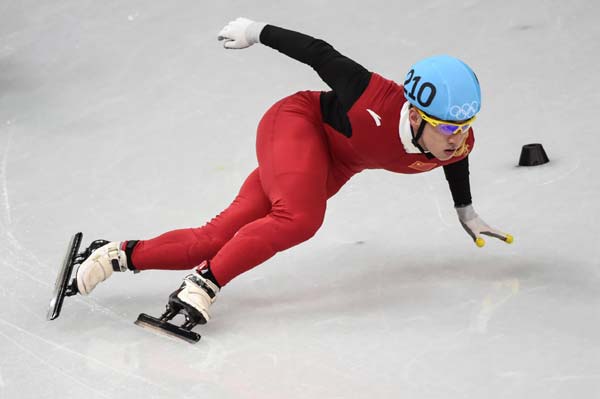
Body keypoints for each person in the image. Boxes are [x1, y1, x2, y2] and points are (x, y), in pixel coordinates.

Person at [75, 17, 513, 326]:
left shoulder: (456, 144)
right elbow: (321, 54)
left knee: (211, 240)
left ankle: (114, 254)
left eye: (466, 126)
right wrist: (255, 31)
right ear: (415, 116)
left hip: (332, 165)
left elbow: (457, 163)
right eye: (448, 127)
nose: (458, 138)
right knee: (300, 219)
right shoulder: (372, 96)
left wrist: (466, 211)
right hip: (296, 124)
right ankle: (205, 284)